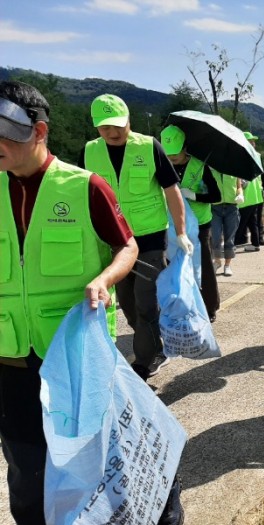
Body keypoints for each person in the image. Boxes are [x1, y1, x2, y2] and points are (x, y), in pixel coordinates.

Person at [0, 80, 138, 525]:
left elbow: (127, 247)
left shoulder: (85, 187)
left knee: (97, 464)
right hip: (10, 362)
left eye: (6, 133)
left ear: (39, 132)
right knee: (25, 471)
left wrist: (104, 278)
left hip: (75, 361)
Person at [79, 93, 193, 381]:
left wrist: (180, 232)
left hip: (149, 239)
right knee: (127, 305)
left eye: (118, 125)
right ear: (96, 127)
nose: (113, 132)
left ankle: (145, 360)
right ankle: (153, 342)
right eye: (105, 127)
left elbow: (172, 190)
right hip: (111, 240)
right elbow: (83, 196)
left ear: (129, 120)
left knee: (145, 303)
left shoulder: (149, 146)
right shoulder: (89, 152)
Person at [161, 124, 222, 322]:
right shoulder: (161, 166)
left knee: (202, 266)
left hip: (199, 225)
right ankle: (180, 305)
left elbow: (215, 195)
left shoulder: (199, 167)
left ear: (185, 148)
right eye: (168, 156)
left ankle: (208, 307)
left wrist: (194, 194)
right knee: (174, 267)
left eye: (175, 156)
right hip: (171, 224)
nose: (171, 160)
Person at [235, 131, 264, 251]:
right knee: (251, 220)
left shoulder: (255, 155)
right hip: (250, 195)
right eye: (250, 141)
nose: (253, 143)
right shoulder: (242, 156)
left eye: (253, 141)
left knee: (249, 220)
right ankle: (252, 242)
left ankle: (254, 240)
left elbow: (263, 174)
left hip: (251, 194)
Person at [211, 168, 244, 277]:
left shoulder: (234, 169)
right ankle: (217, 261)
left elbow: (239, 186)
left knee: (229, 238)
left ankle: (227, 265)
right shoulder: (209, 169)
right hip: (214, 207)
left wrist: (240, 195)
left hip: (232, 207)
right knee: (215, 236)